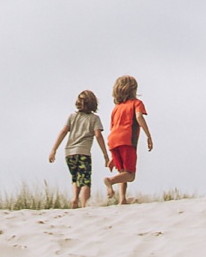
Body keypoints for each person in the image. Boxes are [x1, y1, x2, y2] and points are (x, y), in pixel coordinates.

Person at [48, 89, 110, 208]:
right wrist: (105, 154)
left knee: (75, 177)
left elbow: (63, 131)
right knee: (85, 180)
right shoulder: (94, 118)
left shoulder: (72, 117)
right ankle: (84, 205)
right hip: (83, 152)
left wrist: (54, 149)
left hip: (69, 153)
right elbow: (98, 135)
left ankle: (75, 198)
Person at [105, 75, 151, 204]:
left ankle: (122, 199)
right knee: (130, 175)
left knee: (122, 172)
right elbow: (139, 117)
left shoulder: (116, 109)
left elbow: (114, 128)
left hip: (113, 141)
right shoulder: (136, 103)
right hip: (127, 140)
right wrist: (148, 135)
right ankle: (110, 180)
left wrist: (113, 157)